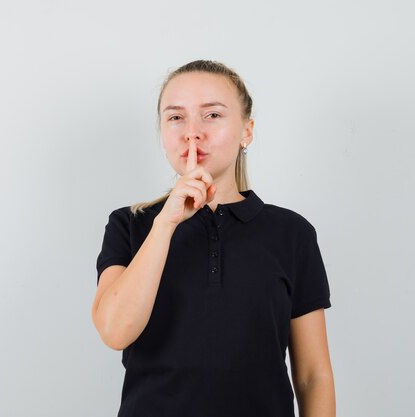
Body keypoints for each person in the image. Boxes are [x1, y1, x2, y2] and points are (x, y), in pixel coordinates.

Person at [91, 59, 335, 417]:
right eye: (176, 117)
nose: (192, 132)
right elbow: (114, 331)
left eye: (212, 115)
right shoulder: (130, 224)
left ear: (246, 130)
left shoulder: (292, 233)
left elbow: (314, 376)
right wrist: (166, 223)